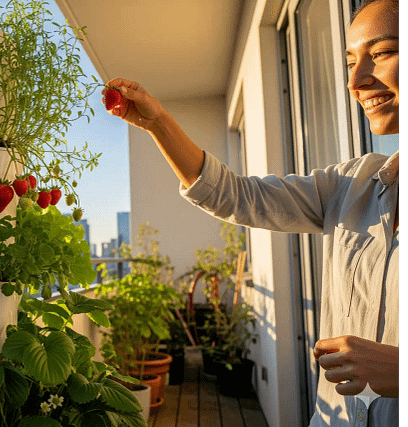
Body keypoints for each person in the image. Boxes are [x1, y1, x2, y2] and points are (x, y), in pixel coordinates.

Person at [103, 0, 398, 426]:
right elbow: (236, 196)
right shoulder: (353, 185)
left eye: (383, 53)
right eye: (350, 60)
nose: (355, 80)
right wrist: (157, 122)